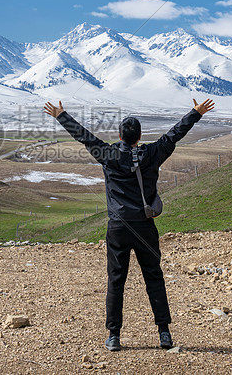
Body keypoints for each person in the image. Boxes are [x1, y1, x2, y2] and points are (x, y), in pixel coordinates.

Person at [44, 98, 215, 352]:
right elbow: (174, 134)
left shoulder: (108, 154)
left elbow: (85, 137)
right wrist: (195, 113)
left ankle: (114, 336)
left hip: (118, 227)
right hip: (145, 226)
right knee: (154, 277)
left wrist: (62, 116)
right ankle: (164, 333)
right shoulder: (153, 152)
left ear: (120, 135)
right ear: (140, 136)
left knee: (116, 280)